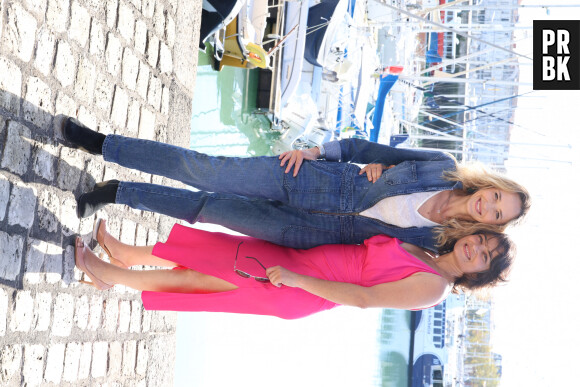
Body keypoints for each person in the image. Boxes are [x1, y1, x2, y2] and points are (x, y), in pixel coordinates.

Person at [63, 117, 530, 252]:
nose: (487, 207)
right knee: (202, 170)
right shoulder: (442, 166)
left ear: (494, 224)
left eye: (496, 214)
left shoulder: (439, 243)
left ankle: (114, 193)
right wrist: (313, 152)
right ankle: (103, 144)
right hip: (308, 178)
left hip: (308, 235)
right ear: (489, 184)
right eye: (495, 197)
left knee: (204, 209)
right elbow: (368, 151)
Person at [73, 219, 515, 319]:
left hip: (299, 286)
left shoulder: (433, 287)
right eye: (481, 239)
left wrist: (303, 280)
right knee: (211, 252)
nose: (475, 247)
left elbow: (363, 298)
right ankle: (128, 253)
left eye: (483, 256)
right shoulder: (426, 250)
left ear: (478, 276)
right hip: (295, 264)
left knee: (203, 281)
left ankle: (110, 275)